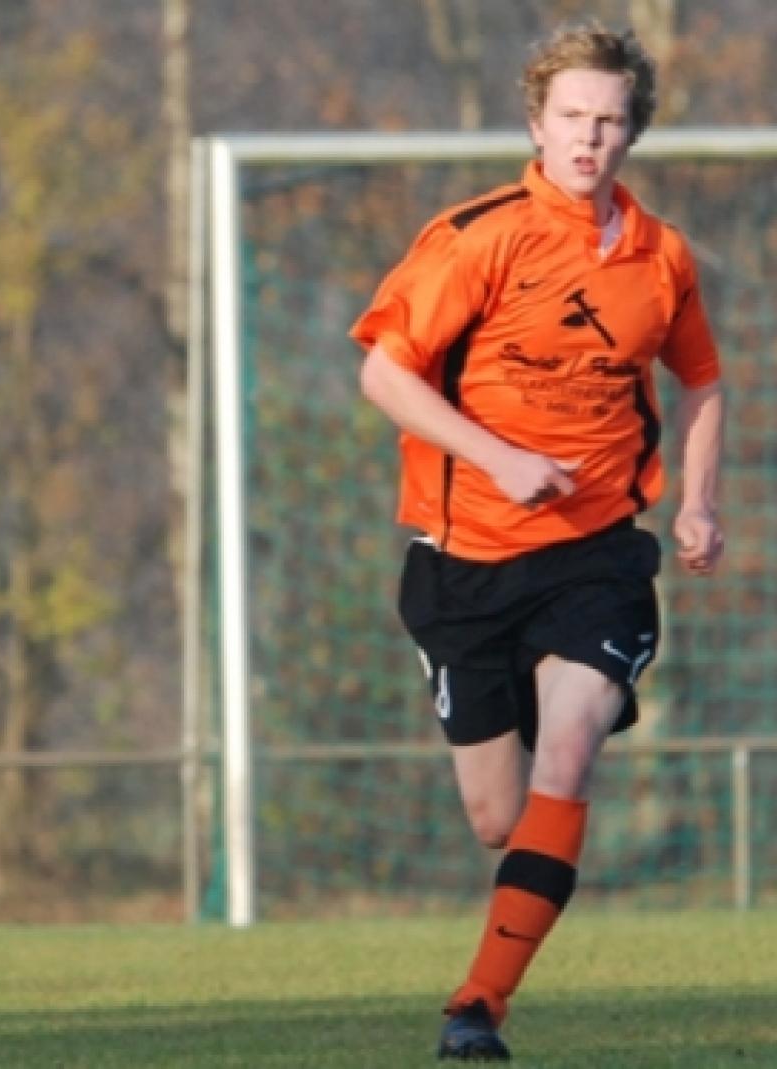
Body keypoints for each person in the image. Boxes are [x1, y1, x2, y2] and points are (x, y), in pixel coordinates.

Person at [349, 21, 723, 1062]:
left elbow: (702, 379)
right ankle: (499, 943)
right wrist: (498, 457)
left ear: (631, 133)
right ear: (536, 123)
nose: (589, 137)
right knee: (495, 817)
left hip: (594, 555)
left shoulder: (660, 257)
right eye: (572, 117)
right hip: (464, 563)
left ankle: (477, 1007)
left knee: (569, 752)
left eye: (609, 120)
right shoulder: (478, 237)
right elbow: (382, 372)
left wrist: (697, 503)